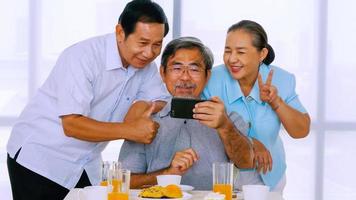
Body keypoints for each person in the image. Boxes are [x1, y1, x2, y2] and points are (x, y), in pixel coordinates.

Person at [6, 0, 170, 199]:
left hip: (85, 163)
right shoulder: (82, 57)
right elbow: (72, 125)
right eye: (143, 43)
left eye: (157, 45)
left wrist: (142, 106)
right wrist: (131, 130)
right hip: (41, 158)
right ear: (120, 32)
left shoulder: (147, 68)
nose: (149, 53)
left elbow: (160, 99)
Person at [119, 37, 254, 190]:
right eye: (176, 68)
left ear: (207, 76)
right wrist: (168, 174)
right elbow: (124, 181)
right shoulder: (145, 120)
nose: (184, 77)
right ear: (162, 73)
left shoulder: (228, 119)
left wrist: (225, 126)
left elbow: (246, 162)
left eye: (194, 69)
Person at [202, 20, 311, 193]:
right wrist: (251, 142)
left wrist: (277, 102)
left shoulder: (282, 79)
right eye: (227, 51)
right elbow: (202, 130)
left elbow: (301, 131)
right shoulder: (212, 80)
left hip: (269, 178)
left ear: (262, 54)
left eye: (241, 52)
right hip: (222, 180)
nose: (232, 59)